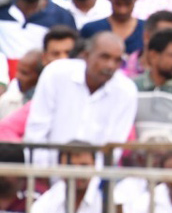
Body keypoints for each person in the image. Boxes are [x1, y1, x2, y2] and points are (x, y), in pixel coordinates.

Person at [25, 32, 136, 166]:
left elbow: (114, 146)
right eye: (104, 57)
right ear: (86, 55)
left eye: (117, 60)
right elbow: (37, 130)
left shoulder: (126, 91)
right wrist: (43, 172)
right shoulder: (56, 73)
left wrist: (91, 182)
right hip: (44, 174)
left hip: (94, 180)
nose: (110, 65)